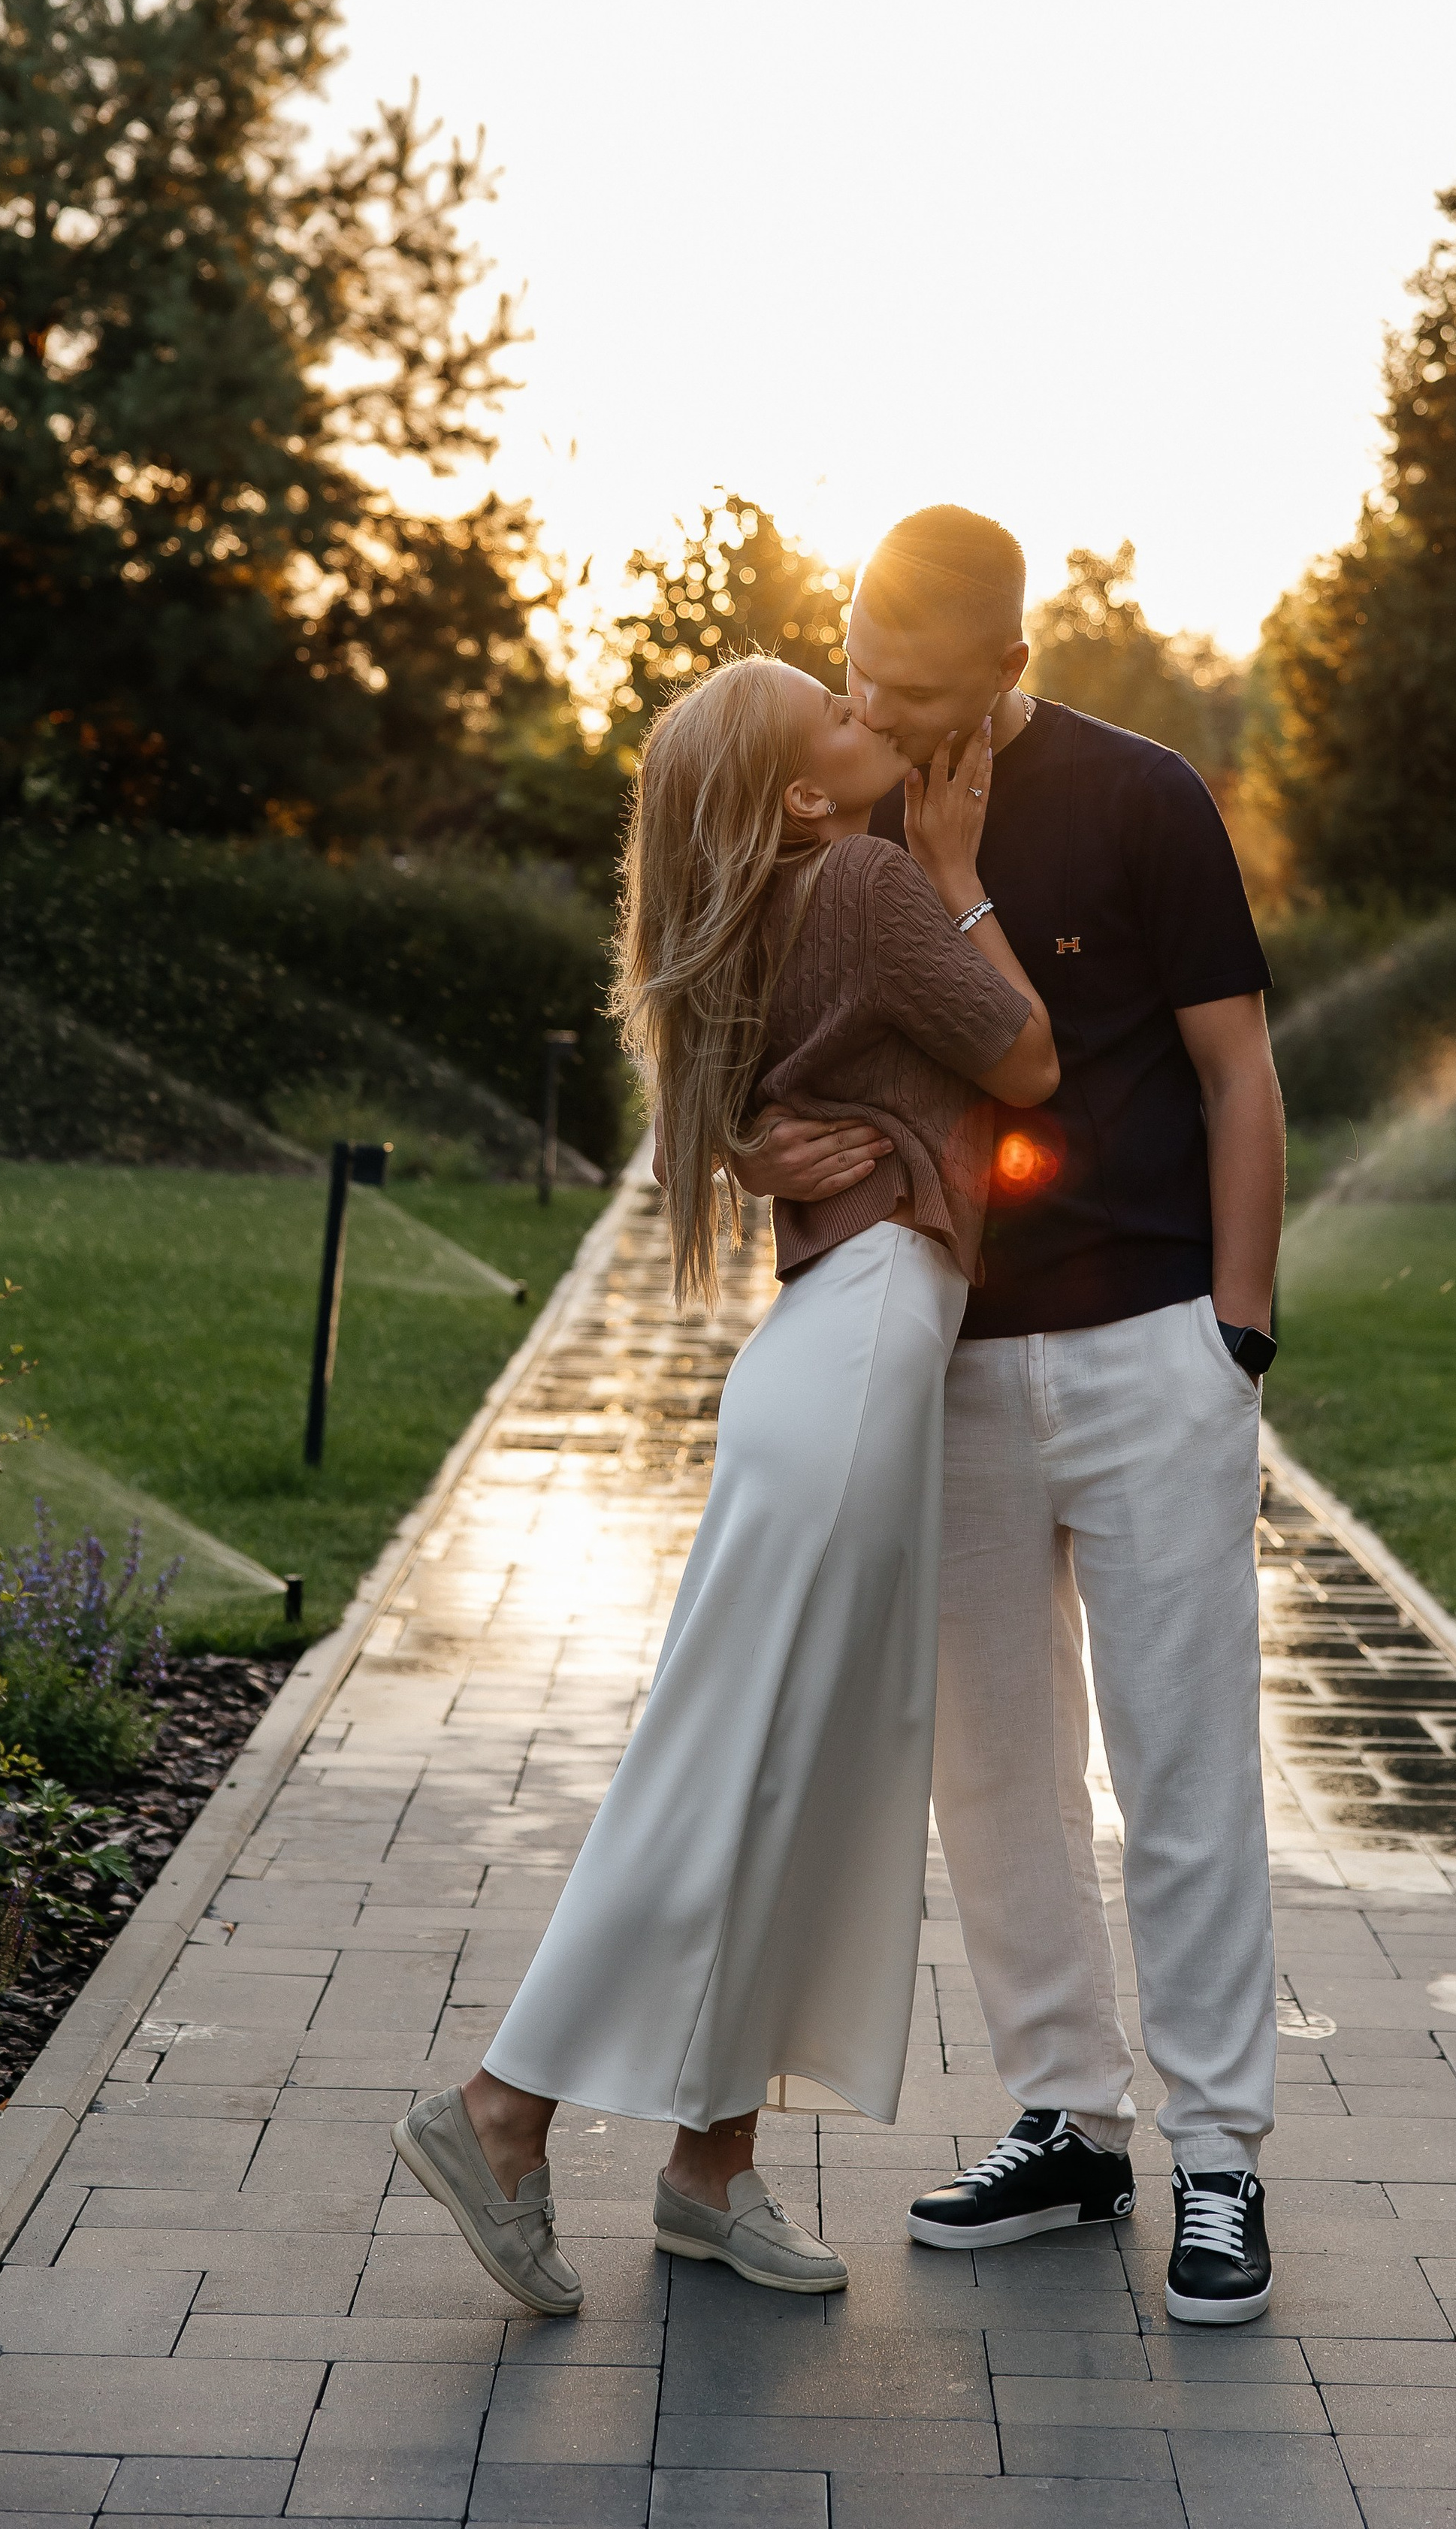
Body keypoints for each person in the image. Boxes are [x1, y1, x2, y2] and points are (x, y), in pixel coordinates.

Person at [394, 651, 1059, 2308]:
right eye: (833, 717)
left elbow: (762, 1102)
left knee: (807, 1772)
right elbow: (1027, 1061)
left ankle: (710, 2171)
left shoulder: (773, 898)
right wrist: (967, 880)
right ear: (801, 794)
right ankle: (500, 2111)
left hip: (845, 1354)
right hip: (855, 1354)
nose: (865, 714)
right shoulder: (868, 877)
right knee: (734, 1760)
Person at [738, 506, 1285, 2326]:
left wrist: (1239, 1330)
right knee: (995, 1768)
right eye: (853, 674)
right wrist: (758, 1150)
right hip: (943, 1346)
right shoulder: (837, 802)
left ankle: (1217, 2159)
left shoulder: (1140, 798)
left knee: (1182, 1761)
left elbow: (1234, 1072)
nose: (867, 711)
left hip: (1147, 1344)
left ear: (1004, 661)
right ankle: (1066, 2121)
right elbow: (754, 1035)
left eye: (905, 689)